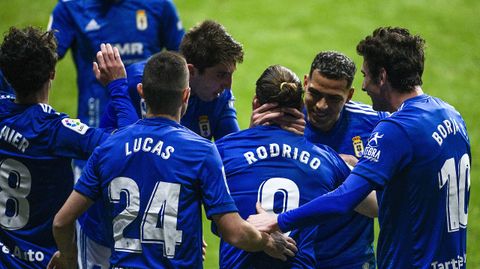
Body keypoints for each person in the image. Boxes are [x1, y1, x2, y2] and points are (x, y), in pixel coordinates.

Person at [48, 51, 297, 269]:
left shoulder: (109, 147)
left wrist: (69, 260)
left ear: (142, 92)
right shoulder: (201, 152)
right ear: (186, 95)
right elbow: (233, 231)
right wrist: (266, 241)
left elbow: (61, 222)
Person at [247, 27, 471, 269]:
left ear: (382, 76)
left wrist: (278, 221)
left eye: (365, 75)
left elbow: (345, 199)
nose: (364, 85)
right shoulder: (451, 115)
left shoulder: (394, 127)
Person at [216, 64, 377, 269]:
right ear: (300, 106)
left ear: (256, 103)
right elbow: (374, 206)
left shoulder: (223, 151)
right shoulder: (327, 160)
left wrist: (246, 136)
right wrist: (351, 162)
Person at [0, 26, 136, 269]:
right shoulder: (54, 130)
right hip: (45, 262)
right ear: (52, 73)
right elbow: (127, 146)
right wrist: (118, 85)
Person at [252, 51, 388, 268]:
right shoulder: (283, 119)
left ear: (350, 94)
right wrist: (255, 136)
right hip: (294, 255)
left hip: (351, 259)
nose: (321, 105)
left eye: (334, 98)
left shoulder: (376, 124)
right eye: (315, 93)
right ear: (306, 82)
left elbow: (390, 197)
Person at [48, 0, 185, 127]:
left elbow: (183, 61)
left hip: (148, 126)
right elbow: (42, 60)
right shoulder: (71, 7)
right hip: (96, 127)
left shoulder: (159, 4)